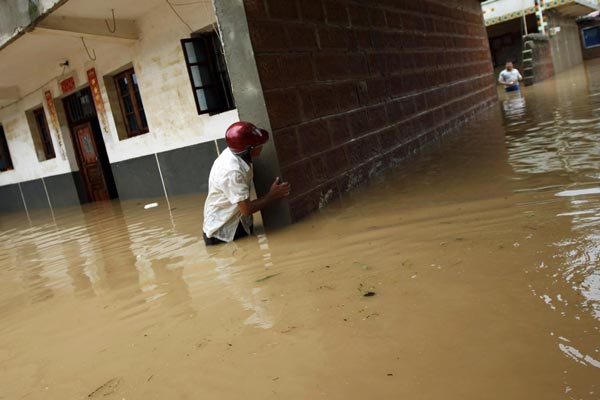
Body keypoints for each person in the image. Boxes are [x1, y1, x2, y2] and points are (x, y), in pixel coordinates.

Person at [203, 122, 291, 245]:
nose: (262, 146)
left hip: (236, 221)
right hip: (223, 233)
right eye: (258, 144)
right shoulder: (232, 171)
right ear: (248, 149)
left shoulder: (236, 152)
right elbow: (247, 209)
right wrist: (272, 195)